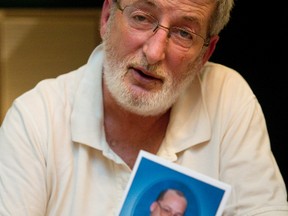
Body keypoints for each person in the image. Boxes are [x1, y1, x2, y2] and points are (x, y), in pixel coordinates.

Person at [0, 0, 287, 215]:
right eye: (141, 17)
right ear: (106, 18)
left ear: (205, 54)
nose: (153, 52)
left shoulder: (228, 98)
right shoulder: (35, 119)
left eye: (184, 34)